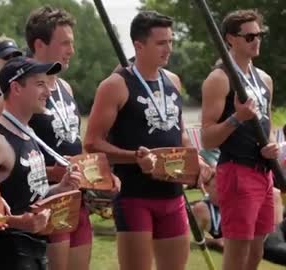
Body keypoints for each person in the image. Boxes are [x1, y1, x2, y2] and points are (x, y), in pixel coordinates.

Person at [84, 11, 212, 270]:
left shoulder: (173, 81)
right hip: (134, 195)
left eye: (171, 41)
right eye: (161, 43)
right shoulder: (116, 85)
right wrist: (135, 157)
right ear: (138, 45)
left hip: (173, 195)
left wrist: (195, 157)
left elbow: (180, 132)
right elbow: (92, 142)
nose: (169, 49)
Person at [0, 7, 94, 270]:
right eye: (65, 43)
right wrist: (53, 173)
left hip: (76, 198)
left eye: (72, 42)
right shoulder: (19, 92)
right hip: (45, 202)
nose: (71, 50)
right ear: (39, 44)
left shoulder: (66, 88)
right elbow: (3, 161)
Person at [0, 56, 81, 270]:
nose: (48, 92)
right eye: (40, 84)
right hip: (8, 255)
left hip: (35, 252)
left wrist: (61, 187)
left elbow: (31, 195)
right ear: (16, 88)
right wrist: (19, 222)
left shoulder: (28, 133)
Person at [201, 9, 277, 270]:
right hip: (236, 170)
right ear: (230, 39)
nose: (257, 40)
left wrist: (271, 145)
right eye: (250, 36)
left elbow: (267, 124)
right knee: (238, 251)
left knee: (257, 250)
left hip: (263, 173)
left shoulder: (265, 79)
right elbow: (207, 138)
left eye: (260, 35)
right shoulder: (219, 78)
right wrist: (237, 118)